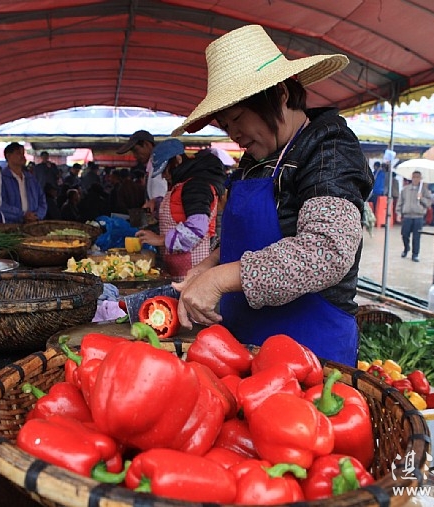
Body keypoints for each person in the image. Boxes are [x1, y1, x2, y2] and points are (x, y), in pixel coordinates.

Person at [169, 25, 372, 366]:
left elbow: (326, 250)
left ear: (279, 94)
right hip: (243, 345)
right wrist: (207, 266)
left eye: (236, 119)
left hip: (310, 352)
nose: (234, 135)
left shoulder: (329, 149)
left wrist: (220, 280)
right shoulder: (255, 160)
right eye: (225, 125)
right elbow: (249, 238)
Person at [135, 139, 226, 281]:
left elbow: (197, 228)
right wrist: (157, 203)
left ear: (177, 160)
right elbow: (181, 208)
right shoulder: (183, 184)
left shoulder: (196, 185)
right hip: (177, 272)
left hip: (194, 275)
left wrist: (160, 240)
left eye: (165, 170)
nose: (164, 175)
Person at [117, 130, 167, 215]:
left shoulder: (159, 166)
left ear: (147, 144)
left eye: (136, 150)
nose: (135, 156)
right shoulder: (151, 167)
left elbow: (162, 199)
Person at [0, 142, 47, 224]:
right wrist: (22, 215)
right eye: (18, 153)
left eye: (23, 153)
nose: (22, 156)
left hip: (33, 223)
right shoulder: (1, 178)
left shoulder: (31, 179)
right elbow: (0, 204)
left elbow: (42, 200)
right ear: (8, 156)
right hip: (11, 225)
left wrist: (37, 215)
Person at [395, 171, 431, 262]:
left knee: (416, 236)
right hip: (407, 216)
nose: (415, 179)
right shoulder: (405, 190)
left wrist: (421, 198)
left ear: (420, 179)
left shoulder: (424, 190)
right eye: (414, 177)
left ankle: (415, 254)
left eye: (417, 177)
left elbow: (428, 203)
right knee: (404, 234)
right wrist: (399, 213)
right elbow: (400, 202)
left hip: (418, 216)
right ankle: (406, 248)